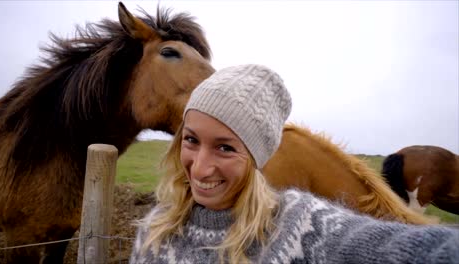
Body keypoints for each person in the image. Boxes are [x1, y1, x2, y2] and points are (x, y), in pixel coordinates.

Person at [130, 64, 459, 264]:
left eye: (226, 148)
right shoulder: (153, 230)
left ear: (258, 157)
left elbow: (406, 249)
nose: (200, 169)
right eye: (191, 140)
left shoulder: (301, 225)